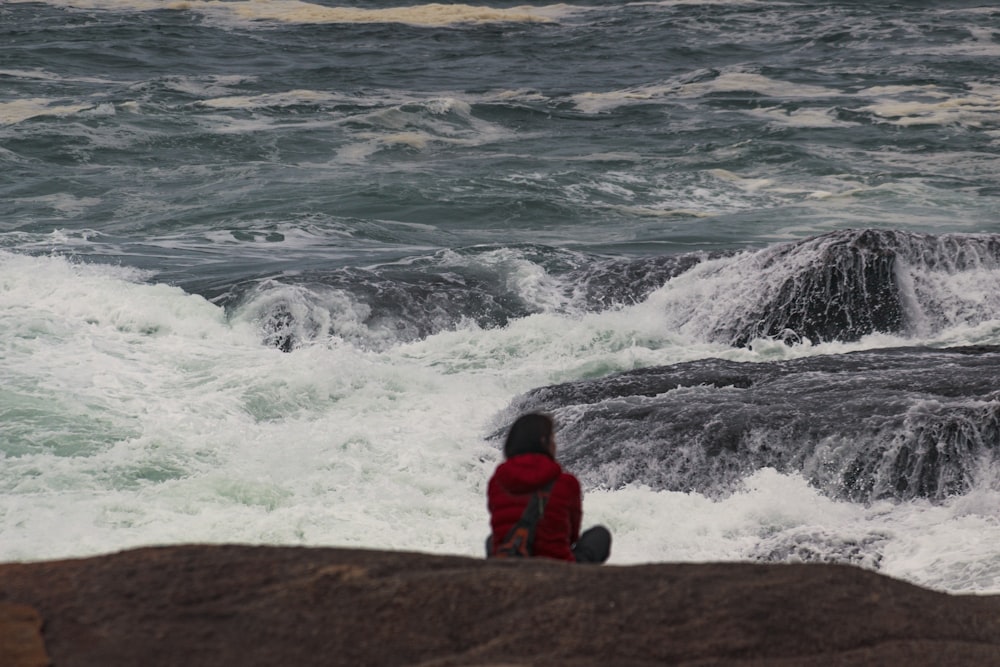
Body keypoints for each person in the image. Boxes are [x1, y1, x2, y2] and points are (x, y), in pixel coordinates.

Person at [487, 412, 611, 563]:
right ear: (543, 441)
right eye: (552, 438)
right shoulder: (566, 482)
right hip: (557, 565)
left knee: (492, 539)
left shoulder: (497, 481)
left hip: (510, 559)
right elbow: (571, 537)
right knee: (600, 535)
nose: (555, 444)